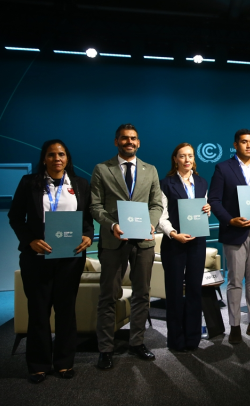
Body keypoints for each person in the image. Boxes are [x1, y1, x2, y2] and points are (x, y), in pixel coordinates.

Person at [8, 139, 93, 383]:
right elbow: (15, 217)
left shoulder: (79, 184)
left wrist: (87, 235)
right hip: (37, 259)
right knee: (38, 312)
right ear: (44, 159)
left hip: (70, 258)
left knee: (66, 312)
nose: (57, 159)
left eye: (62, 154)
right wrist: (30, 240)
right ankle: (38, 365)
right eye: (52, 154)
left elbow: (87, 219)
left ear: (68, 159)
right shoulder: (29, 183)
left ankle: (64, 363)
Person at [90, 124, 163, 369]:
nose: (129, 142)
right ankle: (105, 348)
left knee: (142, 294)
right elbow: (95, 206)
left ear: (138, 142)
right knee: (109, 295)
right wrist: (112, 226)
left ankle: (136, 343)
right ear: (116, 142)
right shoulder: (102, 169)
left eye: (133, 139)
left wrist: (152, 224)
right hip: (114, 240)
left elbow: (156, 204)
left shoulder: (150, 170)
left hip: (143, 241)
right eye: (124, 138)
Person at [208, 129, 250, 344]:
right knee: (235, 282)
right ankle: (235, 326)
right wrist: (230, 220)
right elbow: (215, 201)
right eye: (244, 142)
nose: (248, 146)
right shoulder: (223, 168)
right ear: (235, 145)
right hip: (235, 232)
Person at [157, 143, 211, 352]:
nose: (187, 159)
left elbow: (203, 209)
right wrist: (173, 234)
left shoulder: (201, 182)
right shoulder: (166, 183)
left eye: (190, 156)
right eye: (182, 156)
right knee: (174, 292)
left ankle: (193, 338)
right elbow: (162, 216)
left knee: (195, 291)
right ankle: (176, 339)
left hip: (197, 242)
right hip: (174, 243)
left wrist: (207, 209)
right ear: (175, 159)